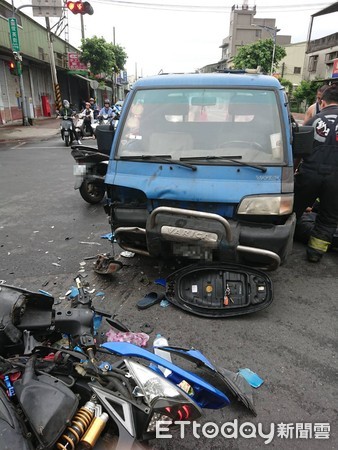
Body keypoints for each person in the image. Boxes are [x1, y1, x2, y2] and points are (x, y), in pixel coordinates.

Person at [293, 84, 338, 262]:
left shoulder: (315, 120)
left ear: (323, 102)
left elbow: (299, 151)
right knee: (328, 218)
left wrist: (294, 170)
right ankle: (314, 253)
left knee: (293, 210)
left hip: (309, 175)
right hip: (336, 179)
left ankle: (282, 245)